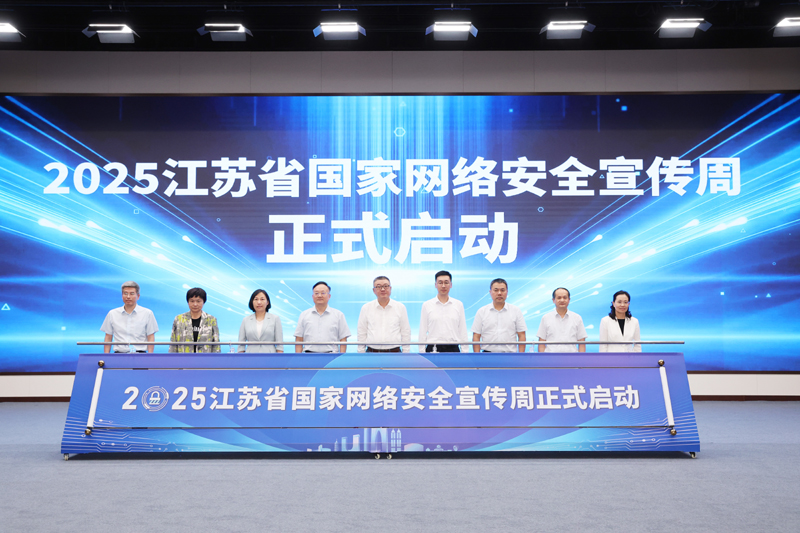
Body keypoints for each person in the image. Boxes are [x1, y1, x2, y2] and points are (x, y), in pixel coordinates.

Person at [100, 281, 159, 353]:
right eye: (125, 293)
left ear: (138, 296)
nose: (128, 297)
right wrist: (106, 356)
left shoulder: (147, 313)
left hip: (140, 355)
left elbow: (150, 336)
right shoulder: (112, 314)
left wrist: (150, 356)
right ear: (122, 296)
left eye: (132, 294)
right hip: (119, 355)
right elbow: (108, 337)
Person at [357, 276, 412, 353]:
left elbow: (405, 331)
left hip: (395, 352)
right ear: (374, 290)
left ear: (390, 288)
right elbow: (362, 332)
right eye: (378, 286)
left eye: (386, 286)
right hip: (372, 352)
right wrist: (361, 353)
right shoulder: (366, 308)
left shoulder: (400, 307)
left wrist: (406, 352)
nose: (383, 289)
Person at [472, 278, 527, 353]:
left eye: (502, 290)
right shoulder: (482, 311)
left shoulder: (516, 311)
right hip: (487, 355)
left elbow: (521, 335)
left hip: (510, 355)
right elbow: (476, 336)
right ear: (490, 292)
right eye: (496, 290)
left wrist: (521, 356)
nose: (499, 293)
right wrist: (477, 357)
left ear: (507, 292)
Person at [419, 270, 468, 353]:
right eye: (440, 283)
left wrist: (465, 352)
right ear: (435, 285)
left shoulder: (458, 304)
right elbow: (422, 331)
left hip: (453, 348)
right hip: (433, 348)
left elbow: (462, 330)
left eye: (446, 282)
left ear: (451, 285)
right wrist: (422, 352)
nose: (443, 286)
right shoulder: (427, 305)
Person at [295, 282, 350, 353]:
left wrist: (341, 357)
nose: (319, 296)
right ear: (312, 296)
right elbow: (299, 339)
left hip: (331, 355)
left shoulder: (338, 315)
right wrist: (298, 357)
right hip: (309, 355)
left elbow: (343, 339)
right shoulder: (304, 315)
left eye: (323, 293)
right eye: (316, 293)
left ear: (329, 296)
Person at [170, 287, 220, 353]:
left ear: (203, 302)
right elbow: (173, 342)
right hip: (184, 358)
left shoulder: (211, 320)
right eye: (192, 301)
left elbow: (216, 344)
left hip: (205, 358)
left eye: (198, 301)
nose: (195, 304)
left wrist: (216, 358)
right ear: (188, 302)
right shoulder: (179, 319)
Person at [537, 287, 587, 353]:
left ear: (569, 300)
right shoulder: (546, 318)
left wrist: (581, 358)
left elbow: (582, 342)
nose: (562, 300)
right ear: (553, 300)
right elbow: (541, 342)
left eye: (565, 298)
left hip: (572, 357)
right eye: (559, 298)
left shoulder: (577, 318)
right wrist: (542, 358)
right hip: (551, 357)